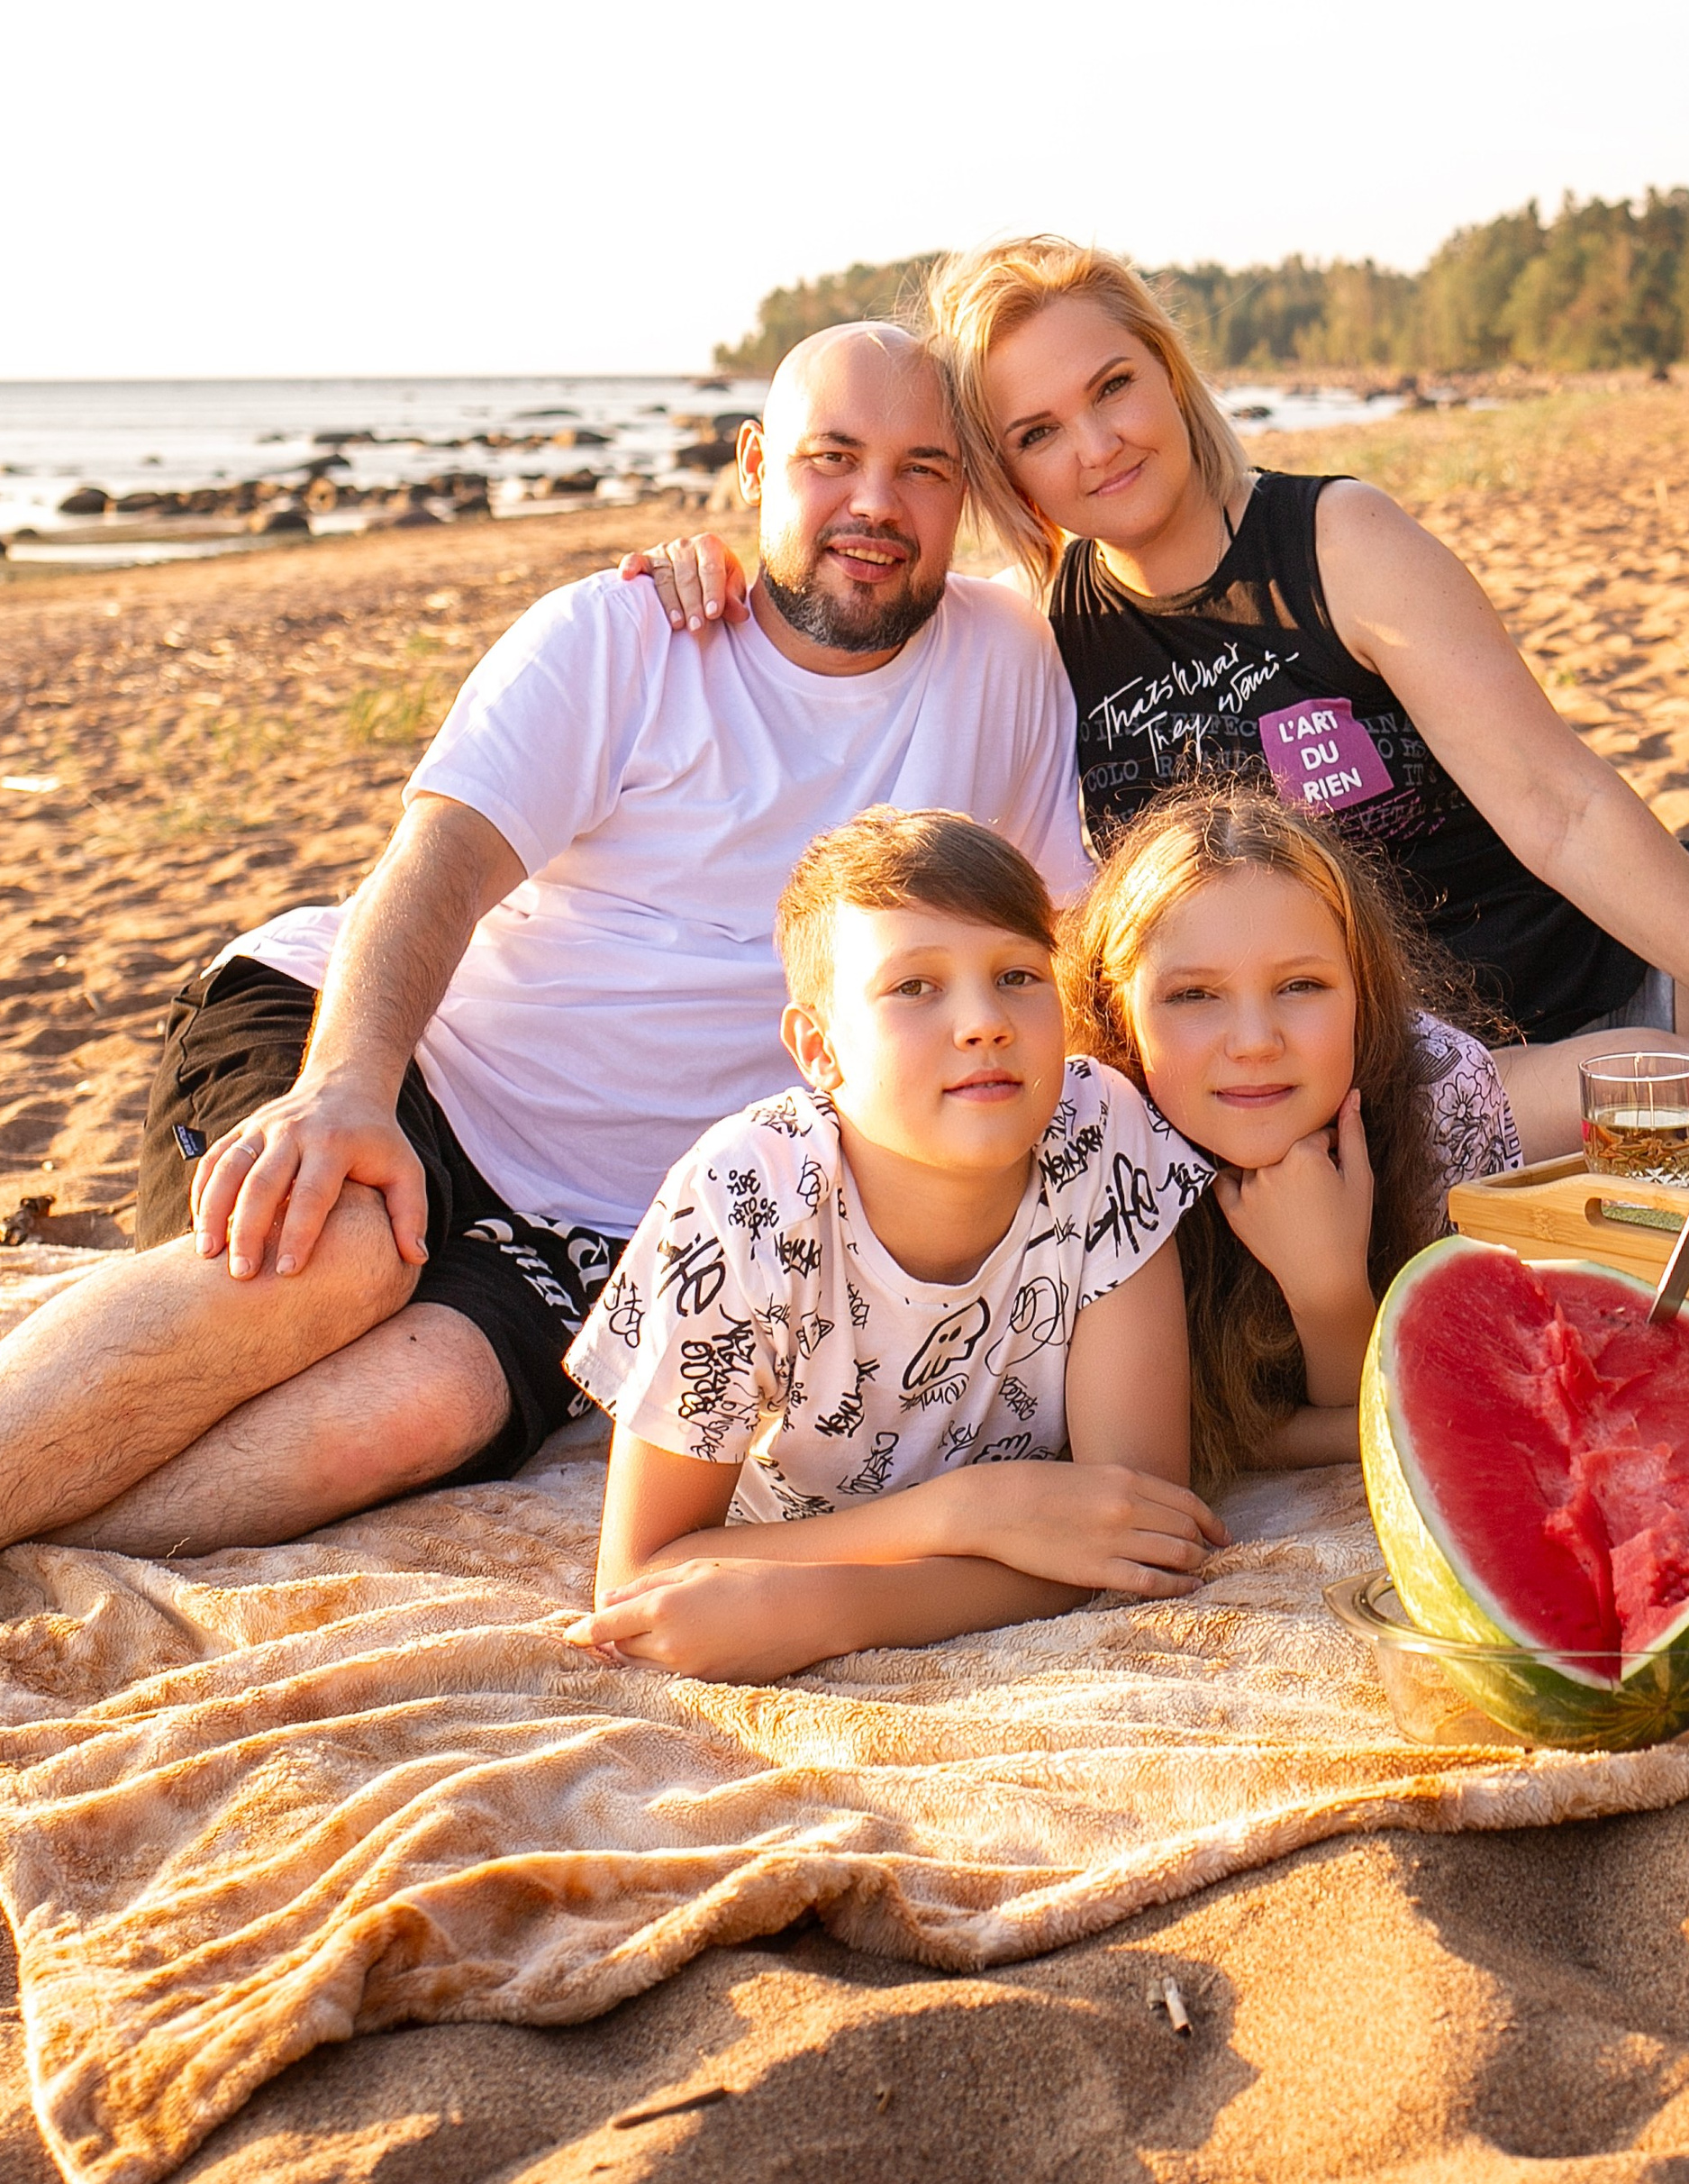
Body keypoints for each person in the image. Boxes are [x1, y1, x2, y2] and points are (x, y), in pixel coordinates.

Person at [630, 240, 1689, 1154]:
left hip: (1627, 943)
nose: (1097, 443)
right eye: (1039, 431)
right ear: (1009, 474)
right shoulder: (1029, 630)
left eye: (1112, 386)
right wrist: (718, 555)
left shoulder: (1338, 539)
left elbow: (1564, 802)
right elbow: (853, 594)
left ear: (1167, 373)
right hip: (1404, 1078)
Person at [0, 324, 1094, 1557]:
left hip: (597, 1233)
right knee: (342, 1258)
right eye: (831, 459)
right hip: (389, 1049)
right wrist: (347, 1090)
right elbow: (439, 860)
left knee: (427, 1406)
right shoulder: (629, 634)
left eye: (923, 471)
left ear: (966, 495)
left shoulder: (1009, 661)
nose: (874, 506)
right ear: (754, 466)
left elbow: (1073, 926)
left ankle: (47, 1562)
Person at [562, 809, 1224, 1683]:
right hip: (804, 1528)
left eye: (1018, 974)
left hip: (832, 1570)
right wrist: (967, 1513)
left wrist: (830, 1610)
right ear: (820, 1048)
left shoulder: (1097, 1131)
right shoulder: (740, 1200)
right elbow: (645, 1575)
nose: (984, 1019)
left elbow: (1136, 1530)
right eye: (914, 986)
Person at [1060, 782, 1519, 1481]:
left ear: (1363, 988)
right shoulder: (1079, 1141)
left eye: (1300, 986)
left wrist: (1328, 1289)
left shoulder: (1445, 1093)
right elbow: (1160, 1448)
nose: (1253, 1042)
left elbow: (1455, 1407)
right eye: (1193, 996)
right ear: (1117, 1014)